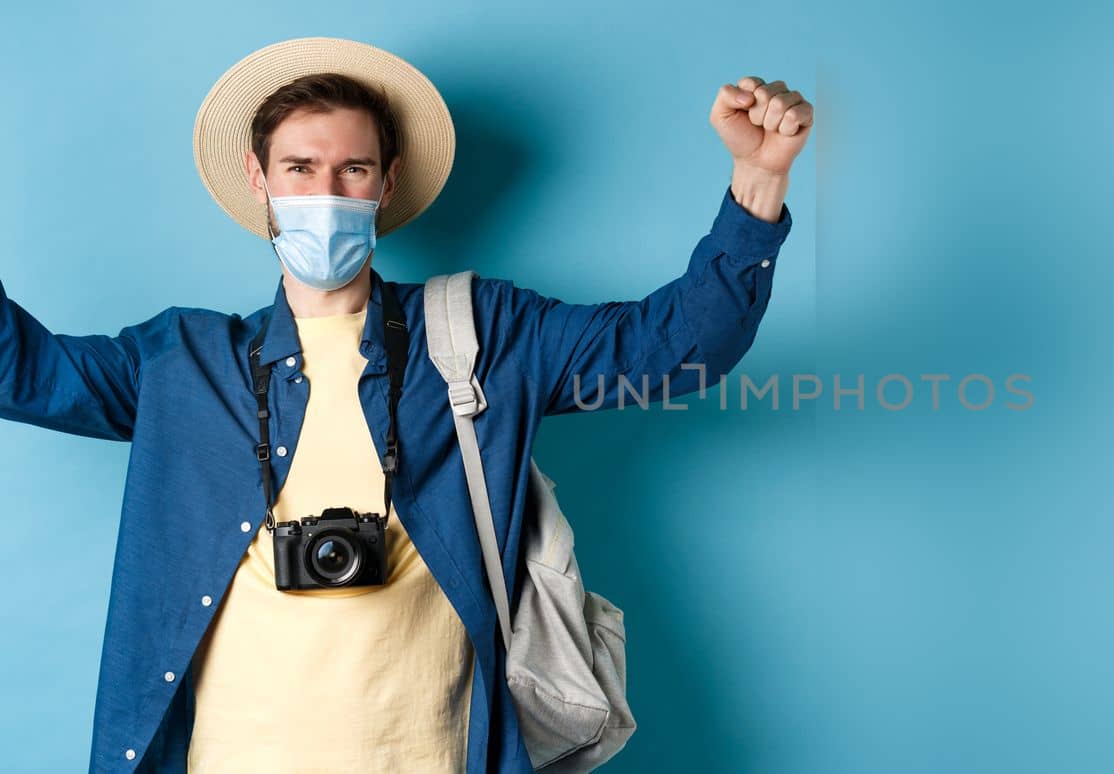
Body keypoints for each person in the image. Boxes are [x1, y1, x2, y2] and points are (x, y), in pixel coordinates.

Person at [0, 36, 811, 772]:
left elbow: (672, 350)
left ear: (386, 183)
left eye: (352, 170)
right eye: (299, 169)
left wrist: (760, 176)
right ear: (260, 182)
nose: (326, 192)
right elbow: (23, 372)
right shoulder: (184, 363)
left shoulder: (479, 335)